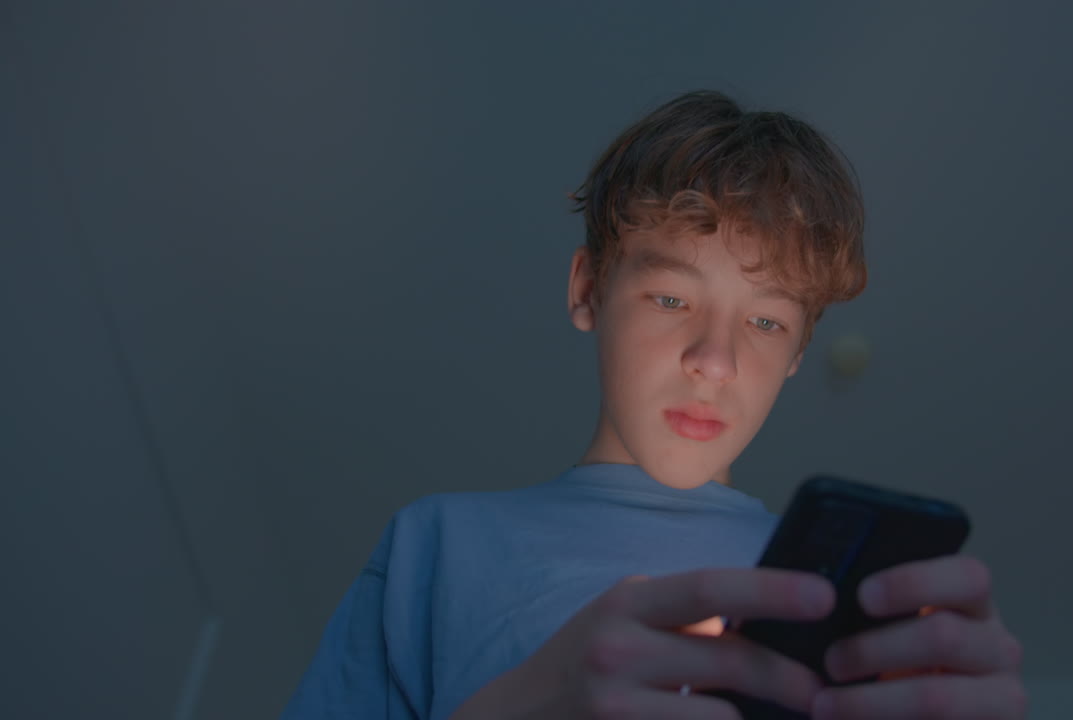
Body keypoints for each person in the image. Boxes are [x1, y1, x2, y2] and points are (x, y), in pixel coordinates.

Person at [280, 90, 1026, 720]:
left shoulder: (852, 604)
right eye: (671, 297)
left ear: (798, 354)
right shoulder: (431, 550)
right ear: (585, 291)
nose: (715, 359)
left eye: (766, 322)